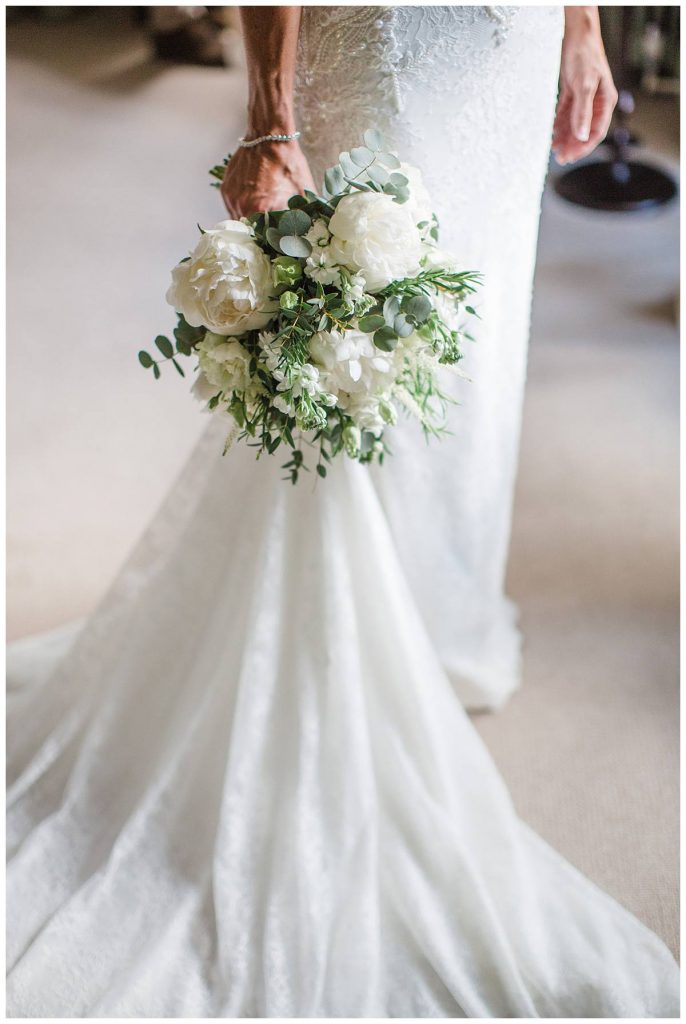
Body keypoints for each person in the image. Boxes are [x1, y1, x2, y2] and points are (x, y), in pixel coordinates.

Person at [6, 6, 679, 1017]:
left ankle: (434, 619)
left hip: (513, 44)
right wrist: (272, 115)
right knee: (357, 334)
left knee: (470, 344)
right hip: (382, 38)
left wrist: (580, 22)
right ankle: (336, 657)